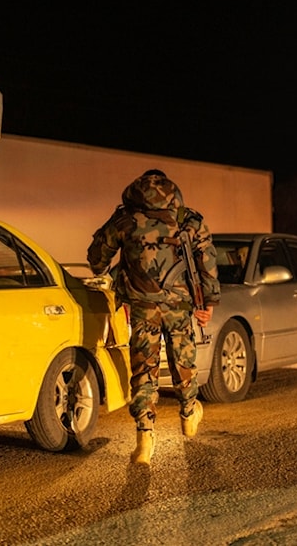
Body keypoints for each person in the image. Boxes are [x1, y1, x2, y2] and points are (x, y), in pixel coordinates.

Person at [87, 169, 220, 465]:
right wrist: (208, 302)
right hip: (179, 304)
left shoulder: (125, 219)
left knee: (144, 369)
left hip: (142, 306)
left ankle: (144, 437)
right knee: (182, 359)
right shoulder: (189, 219)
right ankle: (188, 412)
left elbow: (96, 259)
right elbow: (207, 262)